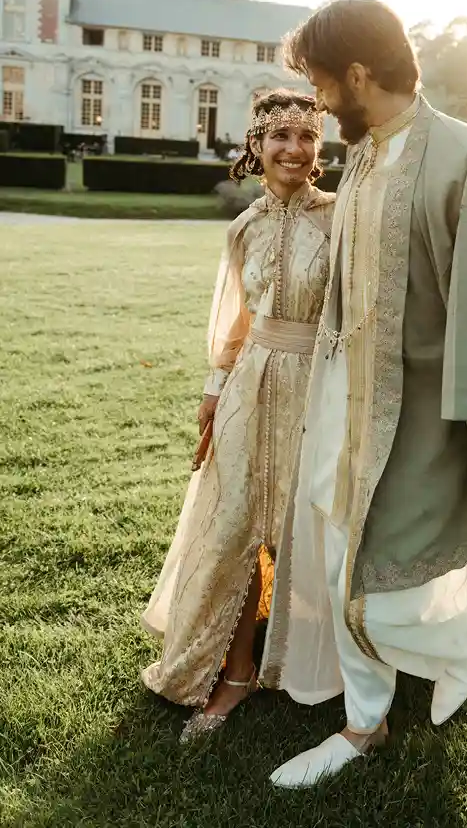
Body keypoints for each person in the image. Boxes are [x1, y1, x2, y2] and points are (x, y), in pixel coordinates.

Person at [260, 0, 467, 787]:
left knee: (389, 576)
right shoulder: (363, 156)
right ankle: (365, 725)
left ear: (358, 73)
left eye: (321, 81)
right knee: (339, 554)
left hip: (423, 421)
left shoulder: (466, 158)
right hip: (341, 408)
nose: (317, 99)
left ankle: (455, 644)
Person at [140, 89, 334, 742]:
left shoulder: (340, 219)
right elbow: (238, 323)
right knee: (236, 524)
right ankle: (239, 670)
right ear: (256, 146)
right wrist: (214, 389)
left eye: (306, 136)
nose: (293, 149)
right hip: (249, 385)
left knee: (312, 523)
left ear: (319, 148)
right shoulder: (243, 228)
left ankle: (329, 665)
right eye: (280, 136)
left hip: (318, 386)